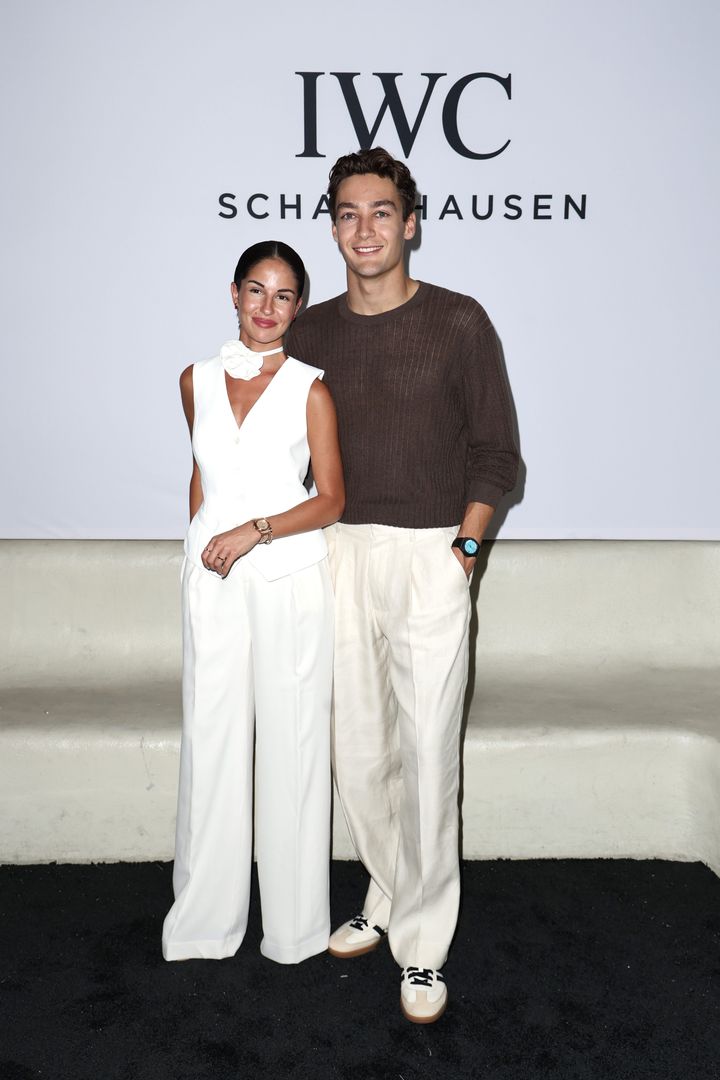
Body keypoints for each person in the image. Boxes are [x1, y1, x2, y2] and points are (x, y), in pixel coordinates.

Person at [285, 148, 519, 1021]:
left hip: (431, 554)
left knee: (426, 756)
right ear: (333, 226)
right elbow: (277, 449)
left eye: (382, 212)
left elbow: (497, 454)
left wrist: (463, 553)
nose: (365, 229)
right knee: (358, 751)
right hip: (338, 551)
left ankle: (423, 946)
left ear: (411, 223)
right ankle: (385, 890)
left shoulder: (459, 322)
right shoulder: (309, 334)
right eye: (348, 213)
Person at [162, 240, 344, 965]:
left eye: (284, 295)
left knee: (293, 745)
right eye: (257, 291)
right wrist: (200, 547)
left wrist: (254, 531)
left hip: (288, 576)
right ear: (234, 294)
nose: (268, 307)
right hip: (212, 577)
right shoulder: (195, 380)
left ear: (298, 306)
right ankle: (203, 923)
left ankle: (294, 930)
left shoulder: (310, 389)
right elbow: (203, 473)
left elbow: (331, 500)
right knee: (210, 741)